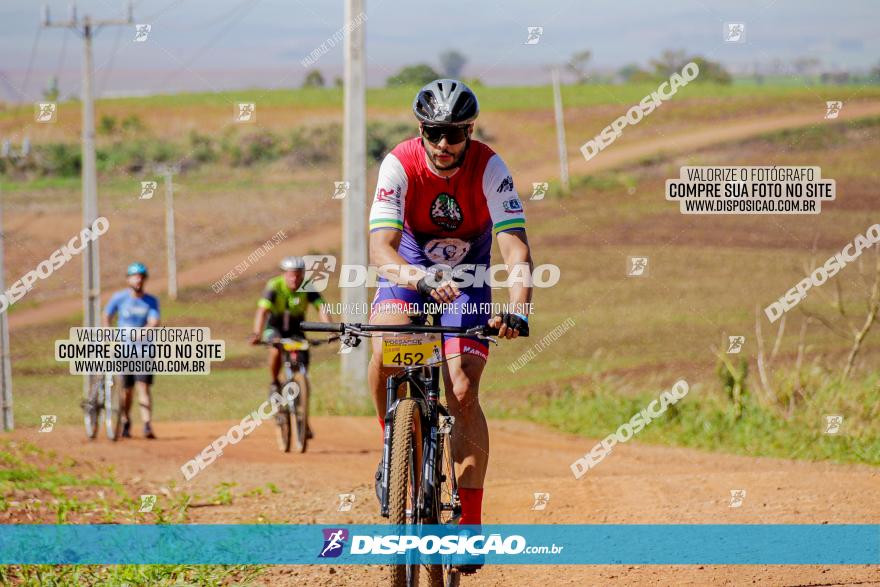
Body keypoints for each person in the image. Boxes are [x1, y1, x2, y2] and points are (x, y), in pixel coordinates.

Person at [368, 79, 532, 573]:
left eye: (455, 133)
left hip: (469, 277)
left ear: (469, 130)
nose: (444, 144)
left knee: (462, 388)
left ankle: (469, 527)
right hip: (411, 267)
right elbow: (380, 250)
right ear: (422, 129)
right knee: (386, 340)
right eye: (436, 132)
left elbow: (516, 250)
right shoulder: (398, 164)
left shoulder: (489, 167)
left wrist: (519, 308)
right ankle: (391, 446)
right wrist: (416, 277)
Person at [250, 256, 332, 436]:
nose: (294, 280)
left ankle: (303, 418)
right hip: (275, 328)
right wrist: (257, 333)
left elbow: (322, 307)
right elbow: (262, 310)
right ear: (285, 274)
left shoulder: (308, 286)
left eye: (298, 276)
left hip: (296, 330)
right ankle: (274, 382)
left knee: (304, 372)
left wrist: (330, 329)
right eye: (291, 276)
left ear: (302, 275)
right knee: (274, 349)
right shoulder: (275, 285)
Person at [103, 262, 161, 439]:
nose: (138, 280)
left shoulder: (151, 301)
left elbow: (154, 321)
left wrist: (144, 332)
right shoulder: (119, 298)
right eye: (135, 276)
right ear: (128, 279)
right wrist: (108, 332)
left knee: (143, 387)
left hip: (144, 351)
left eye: (141, 277)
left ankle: (147, 425)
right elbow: (107, 315)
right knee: (127, 390)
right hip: (124, 350)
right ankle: (126, 420)